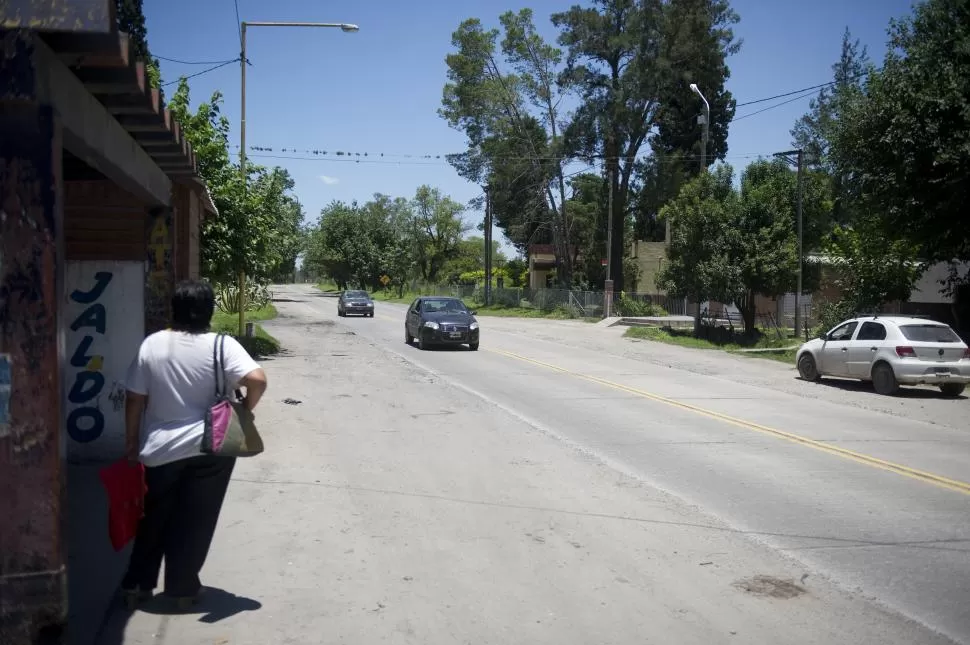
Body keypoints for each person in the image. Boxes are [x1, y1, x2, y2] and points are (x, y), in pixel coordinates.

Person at [120, 280, 268, 609]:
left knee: (153, 518)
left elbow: (133, 399)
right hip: (211, 449)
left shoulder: (152, 345)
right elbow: (257, 379)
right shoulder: (221, 345)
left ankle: (136, 585)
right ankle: (182, 588)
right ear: (209, 310)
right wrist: (244, 410)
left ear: (175, 309)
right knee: (196, 520)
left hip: (159, 451)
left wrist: (131, 443)